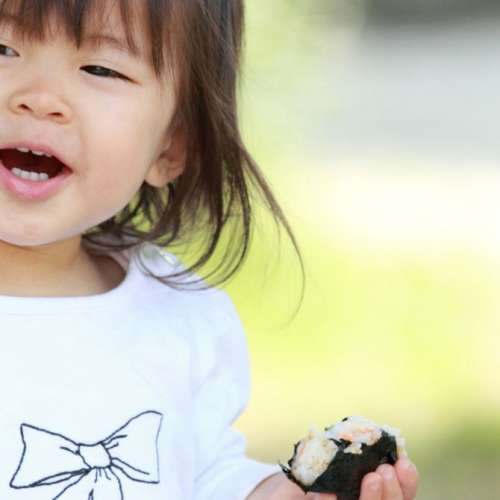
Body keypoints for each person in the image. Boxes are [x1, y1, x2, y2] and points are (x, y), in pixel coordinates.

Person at [0, 1, 419, 499]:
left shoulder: (179, 316)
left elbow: (203, 473)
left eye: (101, 68)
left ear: (170, 147)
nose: (40, 97)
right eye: (3, 47)